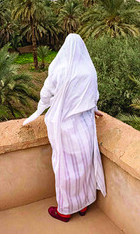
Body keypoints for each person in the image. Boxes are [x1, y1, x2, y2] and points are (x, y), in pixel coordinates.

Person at [23, 33, 106, 222]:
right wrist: (93, 109)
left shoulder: (59, 68)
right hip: (85, 125)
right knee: (84, 165)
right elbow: (92, 96)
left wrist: (43, 107)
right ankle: (83, 204)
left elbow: (46, 93)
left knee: (64, 168)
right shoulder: (89, 70)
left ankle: (65, 210)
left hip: (64, 126)